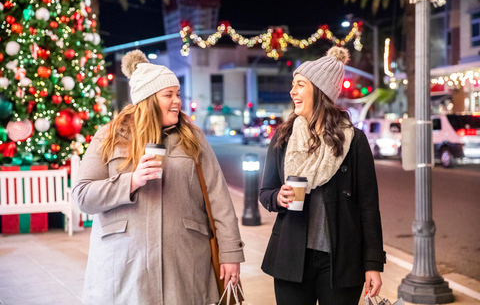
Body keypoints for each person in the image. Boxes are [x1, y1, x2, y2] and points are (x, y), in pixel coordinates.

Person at [73, 50, 245, 305]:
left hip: (184, 264)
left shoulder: (192, 138)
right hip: (125, 268)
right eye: (168, 95)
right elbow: (83, 196)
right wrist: (131, 181)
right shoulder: (110, 136)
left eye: (177, 94)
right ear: (149, 99)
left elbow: (218, 197)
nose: (177, 101)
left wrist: (230, 253)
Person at [259, 46, 386, 305]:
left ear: (320, 91)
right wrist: (277, 197)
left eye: (300, 85)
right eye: (293, 85)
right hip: (292, 256)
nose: (292, 92)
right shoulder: (284, 137)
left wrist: (373, 263)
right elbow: (265, 192)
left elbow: (368, 207)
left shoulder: (354, 140)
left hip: (340, 260)